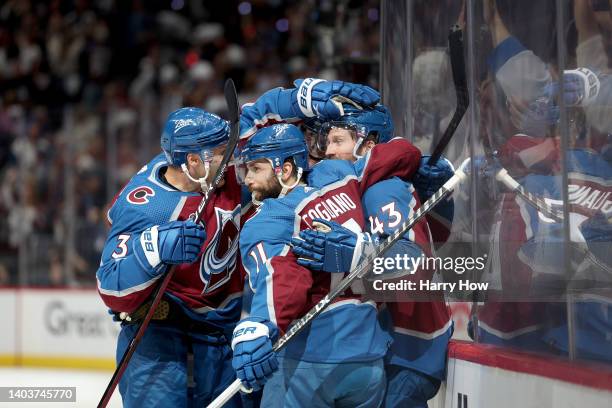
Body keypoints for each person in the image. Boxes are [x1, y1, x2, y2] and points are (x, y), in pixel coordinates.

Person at [96, 79, 386, 407]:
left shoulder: (223, 155)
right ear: (192, 161)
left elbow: (263, 112)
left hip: (221, 330)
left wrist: (303, 97)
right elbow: (111, 287)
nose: (233, 158)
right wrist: (154, 247)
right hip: (162, 332)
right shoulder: (146, 206)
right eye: (221, 154)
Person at [232, 123, 422, 407]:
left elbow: (281, 279)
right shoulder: (340, 175)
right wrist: (426, 165)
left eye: (257, 169)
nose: (248, 179)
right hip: (367, 361)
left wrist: (260, 325)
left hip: (310, 363)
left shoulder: (269, 221)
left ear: (285, 170)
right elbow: (396, 154)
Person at [292, 104, 454, 408]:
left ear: (369, 144)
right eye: (327, 142)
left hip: (409, 349)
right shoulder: (369, 187)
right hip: (406, 348)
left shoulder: (379, 190)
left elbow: (412, 263)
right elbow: (439, 235)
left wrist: (354, 254)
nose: (328, 151)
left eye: (339, 141)